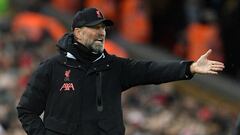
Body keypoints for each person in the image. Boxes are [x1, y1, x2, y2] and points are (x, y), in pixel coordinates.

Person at [16, 8, 225, 135]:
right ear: (78, 33)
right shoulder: (52, 68)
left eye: (103, 28)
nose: (101, 32)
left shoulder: (114, 67)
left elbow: (151, 70)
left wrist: (189, 67)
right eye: (95, 28)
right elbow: (26, 110)